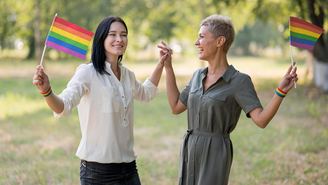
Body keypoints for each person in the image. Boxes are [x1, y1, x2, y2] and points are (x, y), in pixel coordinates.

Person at [158, 14, 298, 185]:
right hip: (190, 148)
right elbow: (175, 107)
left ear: (220, 41)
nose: (196, 42)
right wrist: (168, 67)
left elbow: (261, 120)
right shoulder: (197, 76)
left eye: (201, 36)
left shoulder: (239, 81)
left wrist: (280, 92)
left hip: (215, 152)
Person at [33, 16, 168, 185]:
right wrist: (46, 91)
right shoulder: (87, 73)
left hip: (129, 169)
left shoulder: (127, 74)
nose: (119, 39)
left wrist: (161, 63)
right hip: (98, 172)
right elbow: (63, 106)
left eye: (123, 34)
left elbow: (146, 93)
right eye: (113, 34)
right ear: (101, 38)